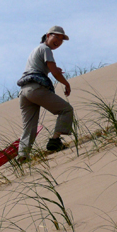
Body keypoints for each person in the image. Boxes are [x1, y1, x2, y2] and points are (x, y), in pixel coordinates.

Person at [16, 25, 74, 162]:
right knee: (66, 109)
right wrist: (66, 83)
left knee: (29, 126)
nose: (59, 41)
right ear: (48, 36)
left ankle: (23, 155)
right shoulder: (46, 48)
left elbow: (42, 68)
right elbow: (54, 72)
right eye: (56, 37)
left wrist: (51, 69)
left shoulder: (37, 50)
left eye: (61, 40)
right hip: (35, 89)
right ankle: (55, 140)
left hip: (24, 92)